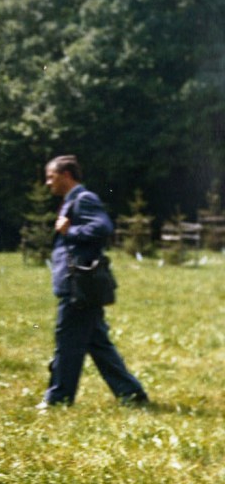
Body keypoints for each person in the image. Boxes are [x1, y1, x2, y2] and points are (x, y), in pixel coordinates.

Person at [38, 155, 149, 409]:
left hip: (79, 285)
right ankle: (132, 393)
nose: (47, 183)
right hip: (79, 285)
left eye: (51, 177)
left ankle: (58, 399)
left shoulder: (83, 199)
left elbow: (103, 228)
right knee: (97, 344)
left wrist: (70, 231)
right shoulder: (71, 201)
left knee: (67, 343)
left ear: (67, 175)